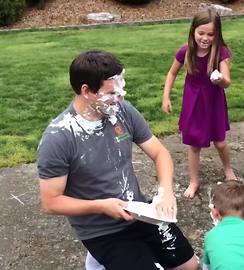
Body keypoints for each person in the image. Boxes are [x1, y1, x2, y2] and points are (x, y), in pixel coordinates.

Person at [37, 50, 198, 270]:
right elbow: (51, 202)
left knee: (188, 266)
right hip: (102, 230)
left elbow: (160, 153)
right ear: (86, 91)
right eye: (112, 92)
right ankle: (100, 260)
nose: (120, 98)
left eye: (121, 90)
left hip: (140, 212)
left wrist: (166, 193)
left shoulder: (122, 111)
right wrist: (102, 206)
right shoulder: (59, 137)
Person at [162, 9, 237, 199]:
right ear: (193, 31)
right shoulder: (186, 51)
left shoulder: (221, 52)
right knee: (194, 144)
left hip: (214, 101)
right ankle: (194, 181)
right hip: (193, 101)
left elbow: (227, 81)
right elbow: (171, 73)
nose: (205, 38)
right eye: (201, 33)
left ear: (217, 34)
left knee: (220, 142)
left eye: (210, 34)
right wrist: (166, 97)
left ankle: (228, 169)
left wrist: (220, 79)